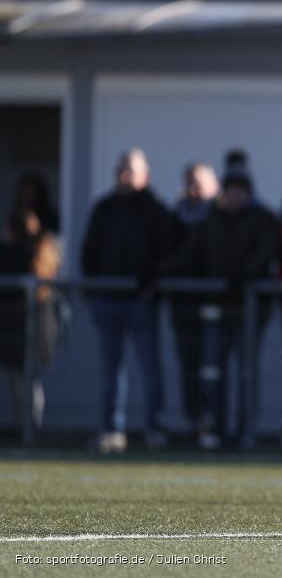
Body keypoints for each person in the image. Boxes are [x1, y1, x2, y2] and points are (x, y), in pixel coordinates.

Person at [162, 167, 280, 449]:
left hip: (250, 312)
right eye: (231, 190)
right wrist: (159, 272)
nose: (235, 195)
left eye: (240, 190)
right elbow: (191, 253)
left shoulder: (261, 218)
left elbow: (268, 251)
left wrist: (243, 275)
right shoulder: (213, 220)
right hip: (218, 310)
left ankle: (245, 431)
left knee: (246, 372)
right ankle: (217, 428)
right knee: (214, 372)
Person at [81, 148, 175, 453]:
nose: (124, 176)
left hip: (141, 301)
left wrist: (153, 284)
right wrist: (93, 291)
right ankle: (111, 429)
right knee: (111, 370)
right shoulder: (104, 208)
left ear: (144, 175)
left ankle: (154, 428)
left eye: (130, 170)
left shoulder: (156, 210)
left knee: (150, 368)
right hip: (108, 300)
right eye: (120, 169)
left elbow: (170, 253)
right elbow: (89, 252)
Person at [0, 171, 62, 438]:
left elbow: (40, 282)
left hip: (32, 323)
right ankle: (23, 426)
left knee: (29, 378)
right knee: (16, 378)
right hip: (12, 323)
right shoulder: (8, 251)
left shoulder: (38, 249)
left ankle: (31, 428)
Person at [168, 163, 219, 444]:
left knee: (214, 370)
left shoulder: (219, 218)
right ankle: (193, 425)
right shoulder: (175, 218)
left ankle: (215, 427)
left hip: (217, 307)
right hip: (184, 307)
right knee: (189, 368)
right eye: (189, 182)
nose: (192, 189)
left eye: (198, 183)